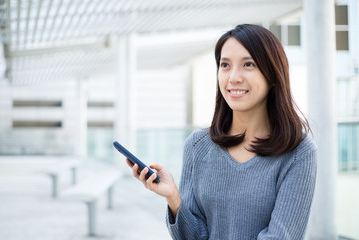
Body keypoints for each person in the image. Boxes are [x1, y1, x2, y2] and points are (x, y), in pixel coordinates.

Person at [126, 24, 317, 240]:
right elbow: (194, 236)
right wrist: (173, 198)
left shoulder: (298, 151)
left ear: (272, 74)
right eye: (225, 65)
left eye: (248, 64)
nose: (233, 77)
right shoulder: (197, 146)